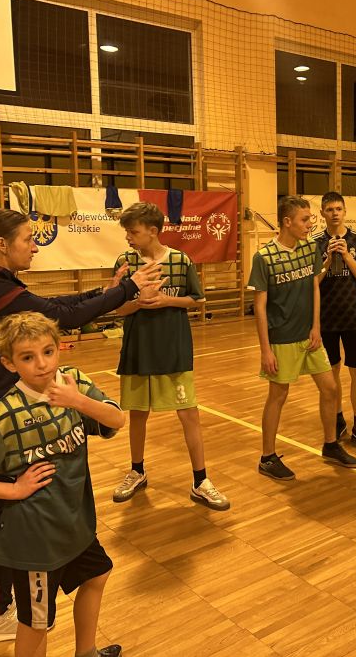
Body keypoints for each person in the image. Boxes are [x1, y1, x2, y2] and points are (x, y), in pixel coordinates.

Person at [0, 208, 159, 642]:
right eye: (28, 239)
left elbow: (54, 306)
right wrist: (127, 289)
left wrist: (109, 291)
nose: (34, 246)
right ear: (2, 245)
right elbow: (62, 317)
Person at [0, 312, 124, 657]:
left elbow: (117, 419)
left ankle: (86, 652)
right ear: (9, 363)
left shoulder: (74, 384)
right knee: (37, 623)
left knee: (97, 574)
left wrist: (77, 401)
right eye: (27, 357)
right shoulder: (6, 415)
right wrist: (14, 490)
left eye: (48, 351)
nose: (42, 364)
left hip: (74, 523)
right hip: (36, 538)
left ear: (59, 348)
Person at [110, 203, 229, 510]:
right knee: (138, 414)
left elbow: (197, 299)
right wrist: (138, 302)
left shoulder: (180, 260)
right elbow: (117, 309)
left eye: (133, 231)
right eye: (127, 232)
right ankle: (137, 471)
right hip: (137, 350)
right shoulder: (124, 262)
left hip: (174, 350)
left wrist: (164, 300)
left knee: (189, 414)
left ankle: (201, 480)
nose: (128, 237)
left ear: (153, 231)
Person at [249, 195, 356, 480]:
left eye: (310, 218)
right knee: (278, 395)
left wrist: (316, 327)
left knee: (330, 388)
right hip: (281, 339)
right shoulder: (264, 257)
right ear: (287, 222)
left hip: (309, 337)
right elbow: (259, 307)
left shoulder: (310, 248)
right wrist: (265, 350)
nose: (311, 223)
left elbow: (314, 287)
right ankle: (267, 457)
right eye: (305, 219)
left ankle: (330, 444)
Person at [311, 192, 356, 450]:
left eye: (338, 208)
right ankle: (338, 419)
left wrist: (348, 257)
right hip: (326, 319)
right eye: (329, 209)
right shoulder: (315, 243)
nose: (335, 213)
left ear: (345, 211)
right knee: (332, 374)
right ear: (322, 213)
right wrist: (328, 261)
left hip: (353, 317)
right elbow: (312, 283)